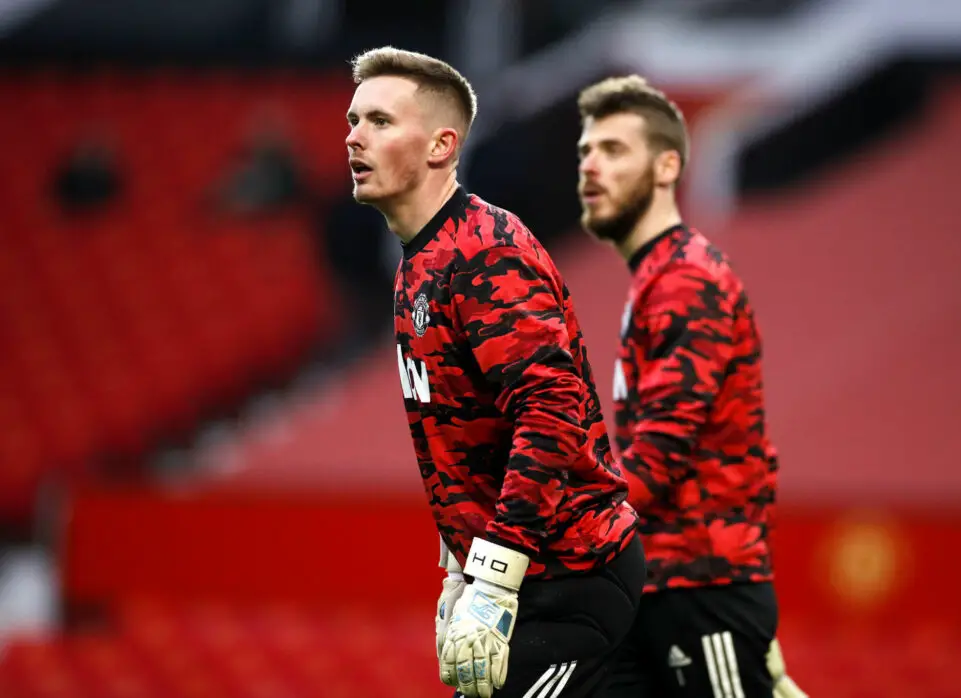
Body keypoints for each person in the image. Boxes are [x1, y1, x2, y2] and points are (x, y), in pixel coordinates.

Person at [345, 47, 645, 698]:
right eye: (354, 120)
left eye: (380, 121)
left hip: (570, 578)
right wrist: (460, 572)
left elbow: (552, 411)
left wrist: (494, 578)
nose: (354, 138)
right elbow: (464, 444)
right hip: (535, 580)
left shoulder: (485, 252)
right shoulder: (417, 267)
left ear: (441, 146)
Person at [574, 75, 807, 698]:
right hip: (662, 582)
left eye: (614, 150)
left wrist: (551, 529)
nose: (591, 167)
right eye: (586, 151)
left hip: (701, 585)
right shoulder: (659, 278)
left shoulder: (686, 279)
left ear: (667, 167)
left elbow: (662, 451)